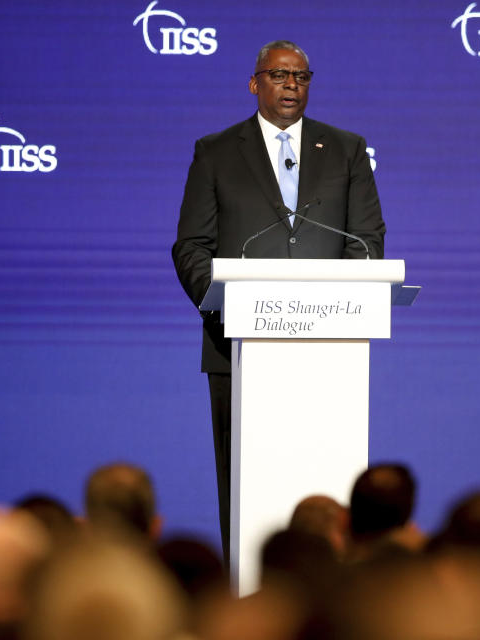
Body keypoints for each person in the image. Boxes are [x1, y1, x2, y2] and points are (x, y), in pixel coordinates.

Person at [172, 39, 386, 562]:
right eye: (279, 75)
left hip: (330, 349)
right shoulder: (216, 151)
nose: (292, 85)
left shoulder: (346, 149)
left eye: (301, 77)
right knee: (242, 482)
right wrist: (227, 306)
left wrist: (338, 312)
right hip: (237, 347)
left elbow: (367, 243)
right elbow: (192, 246)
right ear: (254, 83)